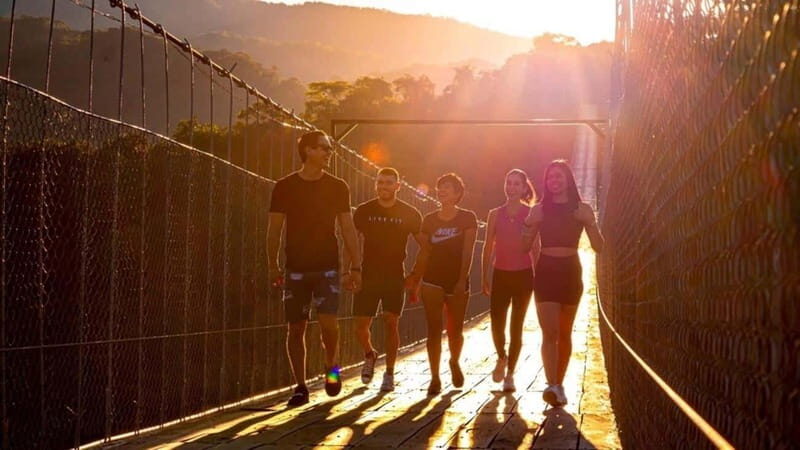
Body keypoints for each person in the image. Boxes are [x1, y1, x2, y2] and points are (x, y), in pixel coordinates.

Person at [267, 130, 363, 407]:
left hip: (327, 267)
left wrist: (355, 267)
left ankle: (332, 369)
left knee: (329, 326)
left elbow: (347, 227)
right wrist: (272, 265)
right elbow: (274, 230)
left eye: (329, 149)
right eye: (324, 148)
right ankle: (299, 386)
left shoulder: (338, 186)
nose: (328, 153)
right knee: (295, 328)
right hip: (295, 267)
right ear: (308, 150)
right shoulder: (284, 186)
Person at [523, 160, 604, 407]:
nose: (554, 181)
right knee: (550, 332)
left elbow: (599, 247)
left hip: (571, 272)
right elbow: (524, 247)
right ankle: (552, 385)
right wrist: (529, 224)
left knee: (565, 333)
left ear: (568, 179)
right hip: (547, 271)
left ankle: (559, 382)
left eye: (558, 176)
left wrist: (590, 222)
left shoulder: (582, 209)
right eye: (550, 177)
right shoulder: (540, 209)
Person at [352, 167, 424, 392]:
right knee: (360, 325)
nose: (384, 186)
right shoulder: (363, 211)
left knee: (391, 322)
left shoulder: (410, 213)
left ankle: (390, 373)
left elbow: (426, 247)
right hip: (368, 273)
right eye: (380, 182)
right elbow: (352, 242)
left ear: (398, 186)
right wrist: (351, 270)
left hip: (394, 275)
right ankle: (369, 353)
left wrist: (414, 276)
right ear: (376, 185)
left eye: (389, 182)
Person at [408, 173, 478, 395]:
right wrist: (416, 278)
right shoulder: (429, 220)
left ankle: (454, 362)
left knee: (455, 329)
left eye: (447, 187)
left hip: (456, 279)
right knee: (433, 330)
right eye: (439, 187)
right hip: (432, 279)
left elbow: (468, 251)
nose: (442, 190)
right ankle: (435, 377)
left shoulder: (468, 218)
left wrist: (461, 280)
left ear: (458, 193)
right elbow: (425, 252)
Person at [481, 169, 538, 392]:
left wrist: (539, 275)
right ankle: (501, 357)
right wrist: (484, 275)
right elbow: (487, 246)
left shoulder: (531, 213)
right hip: (501, 274)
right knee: (497, 324)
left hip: (524, 275)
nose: (511, 187)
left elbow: (535, 247)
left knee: (516, 326)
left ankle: (511, 374)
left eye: (516, 184)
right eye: (509, 183)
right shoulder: (495, 214)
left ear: (524, 188)